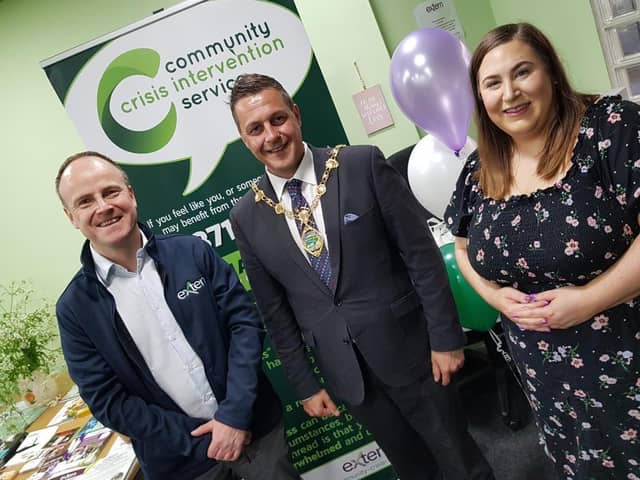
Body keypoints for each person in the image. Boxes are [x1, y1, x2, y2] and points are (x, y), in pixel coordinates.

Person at [228, 73, 494, 480]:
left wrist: (445, 338)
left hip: (416, 355)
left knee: (460, 461)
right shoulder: (246, 217)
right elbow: (274, 312)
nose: (271, 135)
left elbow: (421, 257)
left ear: (296, 115)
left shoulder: (360, 164)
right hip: (348, 375)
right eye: (255, 129)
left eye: (278, 119)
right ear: (244, 139)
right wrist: (304, 384)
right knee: (413, 470)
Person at [444, 22, 640, 480]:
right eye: (492, 83)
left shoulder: (610, 128)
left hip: (625, 356)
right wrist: (494, 297)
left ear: (550, 72)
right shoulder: (480, 168)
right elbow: (461, 243)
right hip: (545, 375)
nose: (509, 93)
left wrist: (590, 299)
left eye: (522, 72)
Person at [55, 152, 300, 480]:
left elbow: (245, 324)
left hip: (257, 433)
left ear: (131, 194)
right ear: (71, 216)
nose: (103, 207)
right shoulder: (74, 309)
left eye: (111, 192)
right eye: (85, 201)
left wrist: (234, 416)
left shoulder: (192, 252)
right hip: (183, 465)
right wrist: (206, 440)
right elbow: (108, 400)